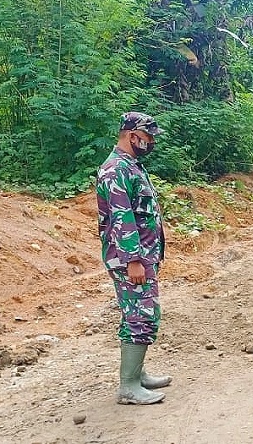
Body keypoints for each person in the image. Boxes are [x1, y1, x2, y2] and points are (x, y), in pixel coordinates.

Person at [96, 112, 172, 405]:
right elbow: (122, 218)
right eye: (148, 137)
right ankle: (128, 386)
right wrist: (133, 260)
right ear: (132, 135)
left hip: (141, 255)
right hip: (131, 258)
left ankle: (136, 374)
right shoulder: (116, 170)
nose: (151, 142)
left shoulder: (131, 166)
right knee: (141, 315)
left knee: (139, 312)